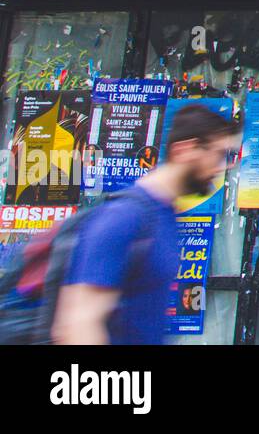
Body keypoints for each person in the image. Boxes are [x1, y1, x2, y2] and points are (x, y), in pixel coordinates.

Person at [52, 104, 237, 345]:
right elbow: (79, 326)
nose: (222, 166)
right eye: (219, 154)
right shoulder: (125, 216)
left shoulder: (165, 216)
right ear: (185, 150)